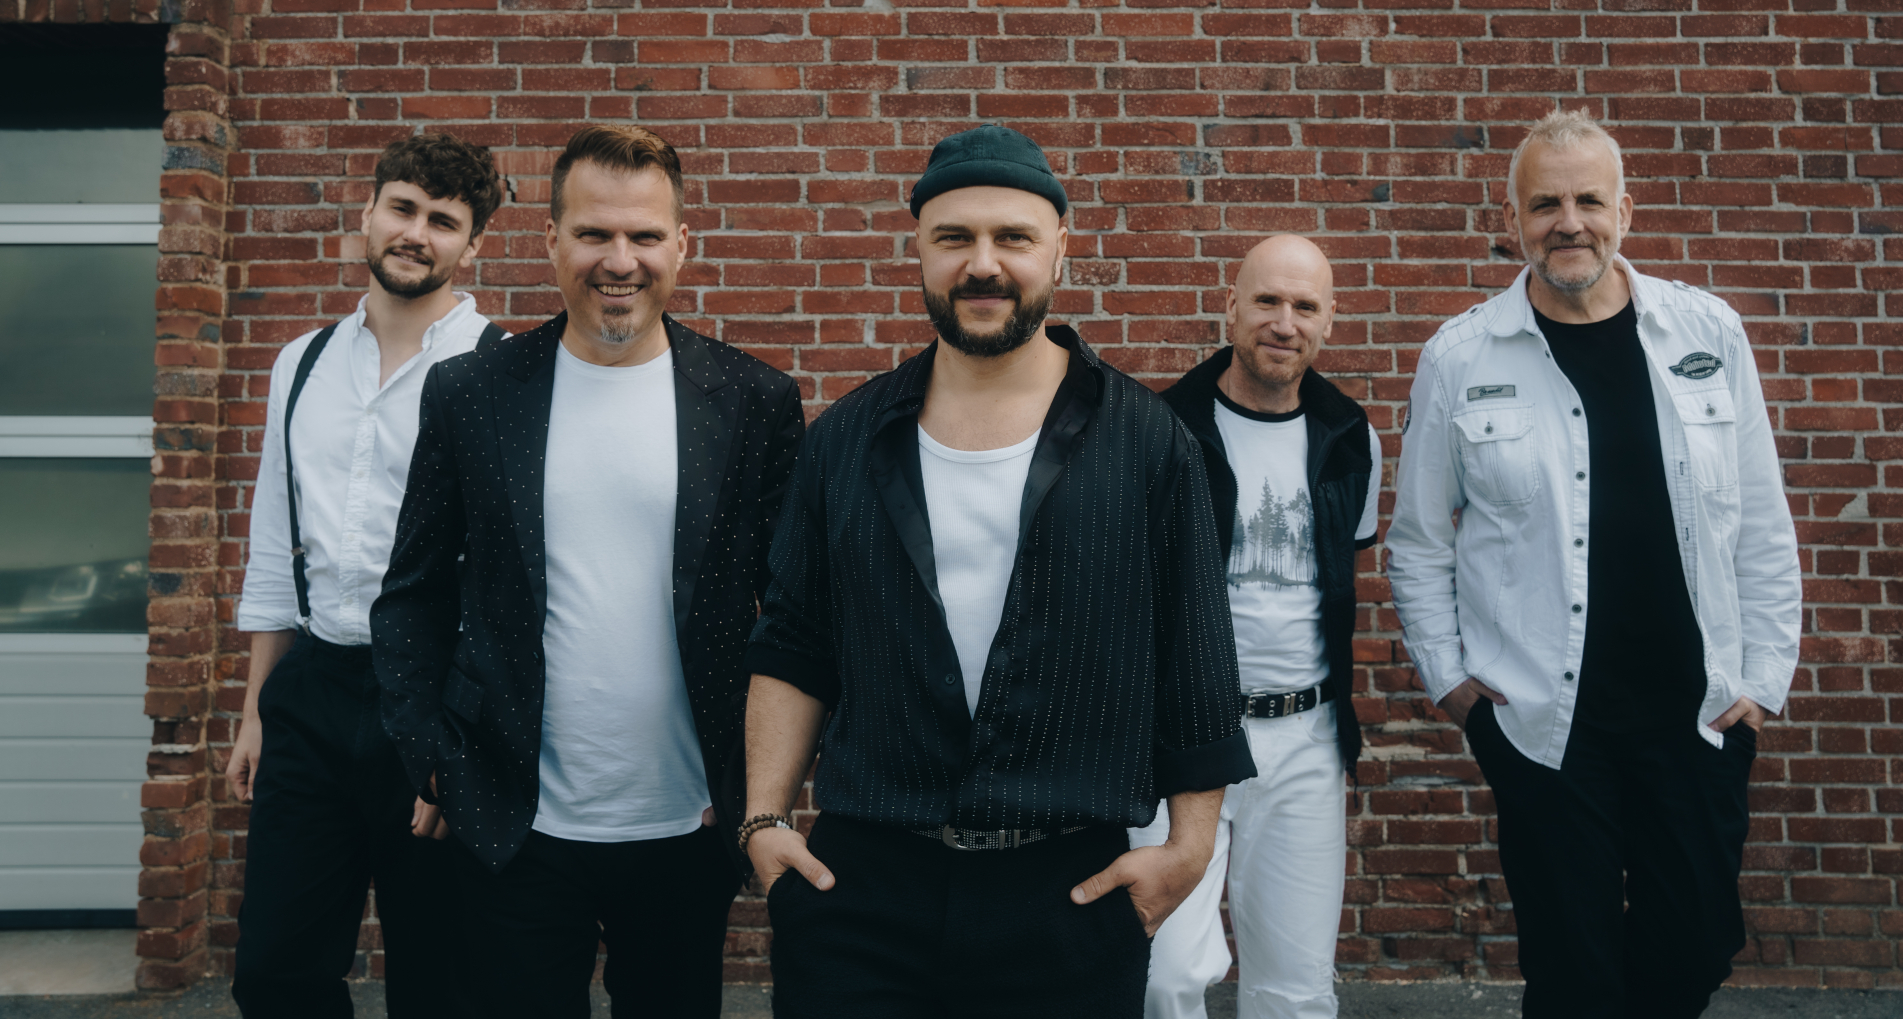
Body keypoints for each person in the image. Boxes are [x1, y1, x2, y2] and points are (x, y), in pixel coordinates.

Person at [740, 123, 1255, 1019]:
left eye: (1012, 237)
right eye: (955, 238)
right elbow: (793, 642)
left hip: (1067, 895)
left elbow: (1196, 656)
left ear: (1060, 247)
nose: (983, 265)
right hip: (863, 891)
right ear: (919, 249)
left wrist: (1189, 848)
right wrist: (763, 820)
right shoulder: (846, 441)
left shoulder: (1148, 444)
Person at [371, 125, 805, 1019]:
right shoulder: (471, 394)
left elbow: (794, 612)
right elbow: (413, 594)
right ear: (551, 241)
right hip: (515, 826)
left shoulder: (754, 401)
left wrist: (759, 790)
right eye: (594, 234)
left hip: (689, 822)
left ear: (681, 244)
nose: (620, 260)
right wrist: (435, 760)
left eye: (644, 235)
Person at [1386, 108, 1802, 1017]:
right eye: (1545, 205)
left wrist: (1764, 680)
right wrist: (1455, 687)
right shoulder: (1460, 357)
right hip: (1543, 724)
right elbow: (1416, 542)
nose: (1568, 223)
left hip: (1696, 715)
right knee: (1572, 978)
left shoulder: (1708, 334)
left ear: (1625, 211)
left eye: (1588, 201)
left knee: (1690, 951)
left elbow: (1762, 521)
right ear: (1511, 221)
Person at [227, 133, 506, 1018]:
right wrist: (257, 712)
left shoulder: (502, 371)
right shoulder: (301, 363)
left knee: (440, 982)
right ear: (368, 213)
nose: (416, 233)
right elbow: (275, 545)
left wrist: (463, 742)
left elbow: (510, 583)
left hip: (434, 698)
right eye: (403, 208)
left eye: (443, 221)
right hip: (312, 692)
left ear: (473, 246)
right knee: (274, 972)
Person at [1134, 234, 1380, 1019]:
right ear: (1231, 306)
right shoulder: (1159, 428)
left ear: (1329, 320)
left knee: (1295, 990)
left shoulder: (1350, 435)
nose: (1284, 322)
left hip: (1304, 737)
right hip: (1179, 736)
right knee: (1163, 976)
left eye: (1304, 306)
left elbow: (1341, 576)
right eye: (1267, 301)